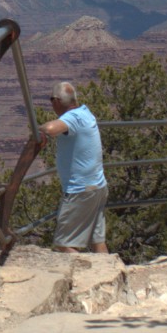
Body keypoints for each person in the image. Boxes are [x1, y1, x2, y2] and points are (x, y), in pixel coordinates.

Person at [39, 81, 109, 254]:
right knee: (97, 240)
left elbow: (50, 128)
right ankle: (108, 274)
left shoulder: (72, 118)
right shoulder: (85, 113)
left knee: (64, 244)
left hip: (80, 191)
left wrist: (36, 129)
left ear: (55, 101)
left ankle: (83, 278)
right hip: (98, 187)